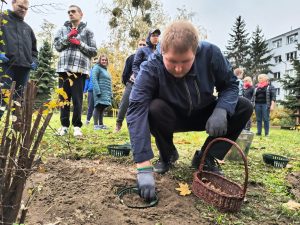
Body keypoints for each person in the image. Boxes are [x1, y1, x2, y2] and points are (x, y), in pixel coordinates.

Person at [126, 20, 253, 201]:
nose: (178, 69)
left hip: (204, 113)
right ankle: (167, 154)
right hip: (171, 115)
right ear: (162, 53)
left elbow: (231, 85)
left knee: (243, 106)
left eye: (185, 62)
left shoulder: (211, 54)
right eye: (171, 61)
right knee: (153, 108)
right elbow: (136, 109)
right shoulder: (151, 66)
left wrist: (222, 110)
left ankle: (206, 158)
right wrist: (143, 167)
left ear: (196, 52)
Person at [54, 5, 97, 137]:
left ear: (81, 14)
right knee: (63, 99)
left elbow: (94, 51)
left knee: (77, 100)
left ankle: (77, 126)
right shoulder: (62, 29)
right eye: (69, 12)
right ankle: (64, 126)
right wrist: (68, 37)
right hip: (64, 69)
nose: (70, 14)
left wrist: (79, 43)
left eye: (73, 11)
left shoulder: (88, 31)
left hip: (79, 70)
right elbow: (57, 46)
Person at [0, 0, 38, 118]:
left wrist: (34, 61)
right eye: (20, 6)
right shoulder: (2, 20)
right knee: (2, 99)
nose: (23, 9)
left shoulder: (28, 29)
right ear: (13, 3)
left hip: (24, 70)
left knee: (19, 102)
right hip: (6, 67)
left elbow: (34, 51)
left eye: (26, 8)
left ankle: (15, 131)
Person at [115, 39, 147, 132]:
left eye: (144, 45)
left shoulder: (149, 58)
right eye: (140, 44)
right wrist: (128, 83)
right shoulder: (131, 58)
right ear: (137, 46)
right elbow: (125, 74)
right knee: (124, 104)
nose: (141, 46)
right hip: (131, 84)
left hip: (144, 86)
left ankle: (141, 128)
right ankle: (118, 124)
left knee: (142, 107)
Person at [92, 54, 112, 130]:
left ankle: (101, 124)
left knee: (102, 108)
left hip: (106, 92)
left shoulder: (105, 70)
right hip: (99, 91)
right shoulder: (96, 68)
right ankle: (95, 125)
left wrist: (111, 94)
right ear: (99, 60)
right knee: (97, 107)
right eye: (102, 60)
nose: (104, 61)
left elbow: (109, 82)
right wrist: (97, 91)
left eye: (105, 60)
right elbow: (94, 79)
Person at [84, 57, 98, 125]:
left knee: (98, 106)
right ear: (93, 63)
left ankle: (97, 122)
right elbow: (87, 80)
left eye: (97, 62)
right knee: (90, 106)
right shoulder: (89, 71)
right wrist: (84, 90)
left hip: (99, 91)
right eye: (94, 62)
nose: (95, 64)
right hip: (91, 90)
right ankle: (87, 120)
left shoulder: (100, 70)